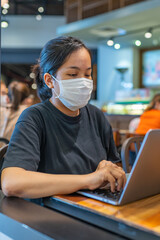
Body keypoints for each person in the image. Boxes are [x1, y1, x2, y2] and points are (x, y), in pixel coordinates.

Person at [1, 36, 126, 199]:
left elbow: (115, 166)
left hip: (95, 205)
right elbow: (12, 182)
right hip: (53, 213)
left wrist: (108, 170)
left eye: (87, 74)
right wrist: (88, 180)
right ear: (49, 80)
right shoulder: (35, 118)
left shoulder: (96, 115)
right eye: (73, 74)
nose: (83, 82)